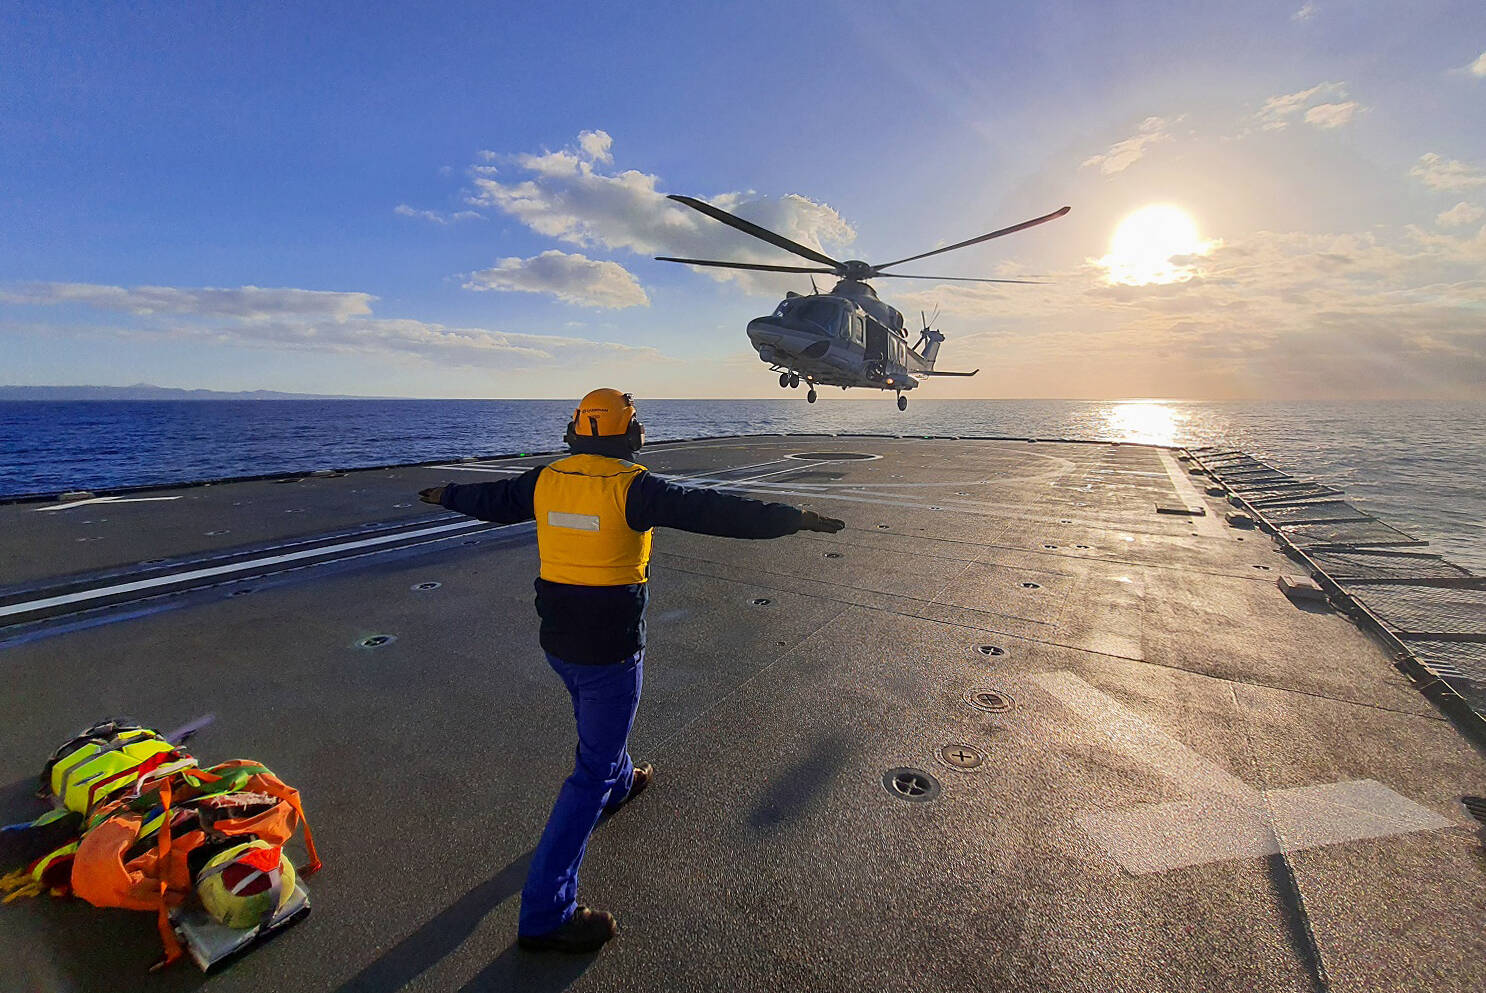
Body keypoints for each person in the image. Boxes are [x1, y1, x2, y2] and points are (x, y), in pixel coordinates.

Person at [418, 389, 844, 954]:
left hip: (559, 644)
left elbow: (492, 498)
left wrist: (444, 492)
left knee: (598, 733)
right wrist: (793, 518)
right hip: (610, 652)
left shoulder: (544, 481)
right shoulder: (635, 488)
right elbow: (717, 511)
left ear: (576, 433)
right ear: (630, 435)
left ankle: (620, 784)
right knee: (588, 771)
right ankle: (547, 912)